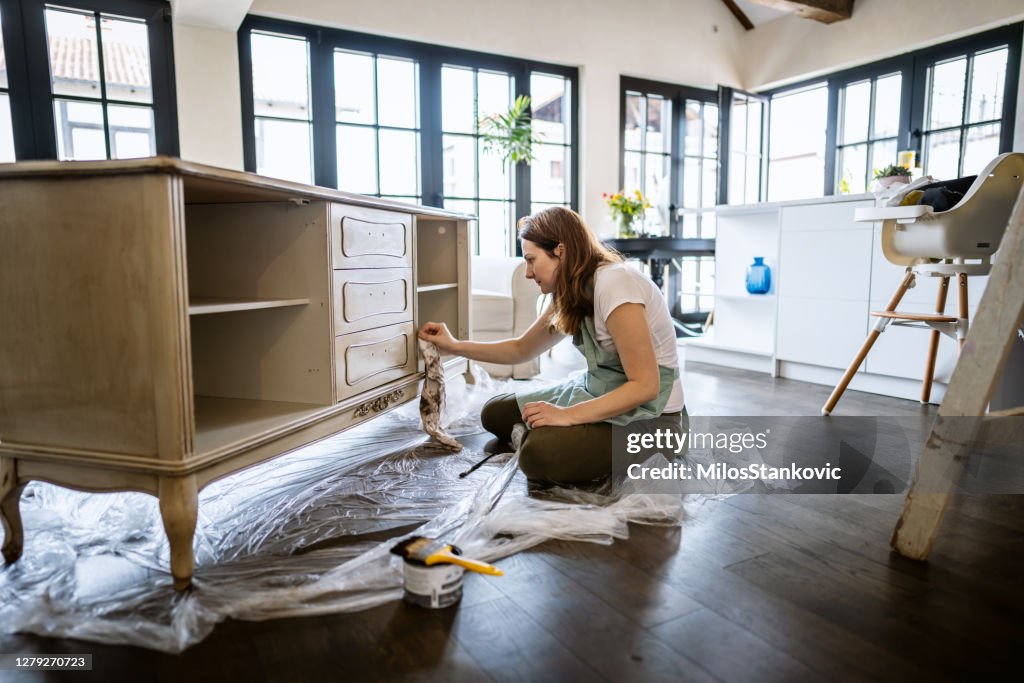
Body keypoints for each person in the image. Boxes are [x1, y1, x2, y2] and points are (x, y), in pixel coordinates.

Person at [418, 206, 685, 485]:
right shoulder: (571, 289)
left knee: (538, 456)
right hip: (599, 391)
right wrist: (454, 345)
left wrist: (566, 415)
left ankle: (563, 439)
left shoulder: (616, 284)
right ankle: (568, 437)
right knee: (493, 413)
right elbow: (521, 349)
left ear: (561, 251)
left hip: (653, 418)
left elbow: (645, 386)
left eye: (531, 260)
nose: (528, 273)